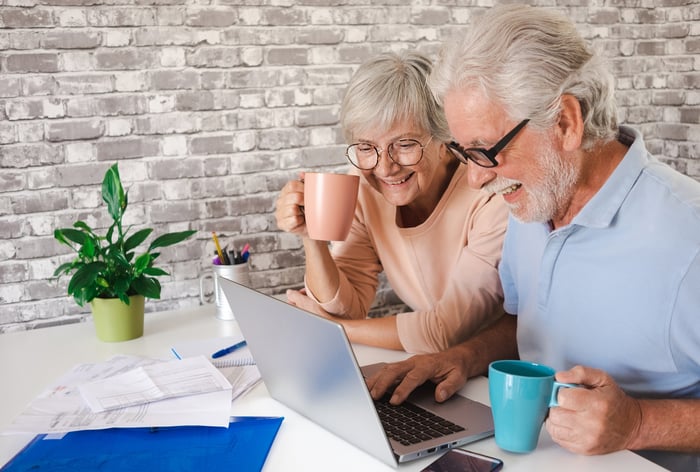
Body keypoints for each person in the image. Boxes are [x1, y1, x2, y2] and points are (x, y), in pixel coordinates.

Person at [365, 3, 700, 461]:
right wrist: (463, 357)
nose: (476, 178)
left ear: (565, 122)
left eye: (485, 151)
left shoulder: (689, 238)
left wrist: (638, 422)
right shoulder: (531, 201)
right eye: (464, 153)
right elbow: (531, 324)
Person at [274, 51, 508, 353]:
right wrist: (312, 238)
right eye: (366, 147)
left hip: (502, 369)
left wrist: (339, 330)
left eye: (405, 145)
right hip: (436, 364)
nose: (385, 168)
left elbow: (445, 331)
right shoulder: (364, 188)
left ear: (443, 138)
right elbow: (347, 307)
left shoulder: (487, 193)